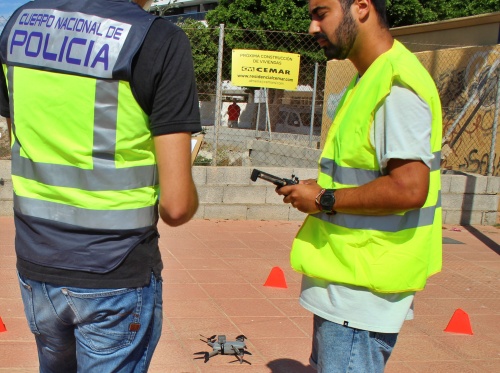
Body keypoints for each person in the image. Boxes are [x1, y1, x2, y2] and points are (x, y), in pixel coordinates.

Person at [0, 0, 200, 371]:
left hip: (37, 262)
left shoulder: (20, 24)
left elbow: (25, 140)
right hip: (114, 268)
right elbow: (176, 207)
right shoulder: (156, 39)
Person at [276, 0, 442, 372]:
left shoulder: (395, 85)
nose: (312, 28)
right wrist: (319, 189)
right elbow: (366, 173)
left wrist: (322, 198)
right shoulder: (367, 78)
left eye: (321, 14)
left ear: (362, 7)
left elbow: (409, 189)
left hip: (363, 290)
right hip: (348, 281)